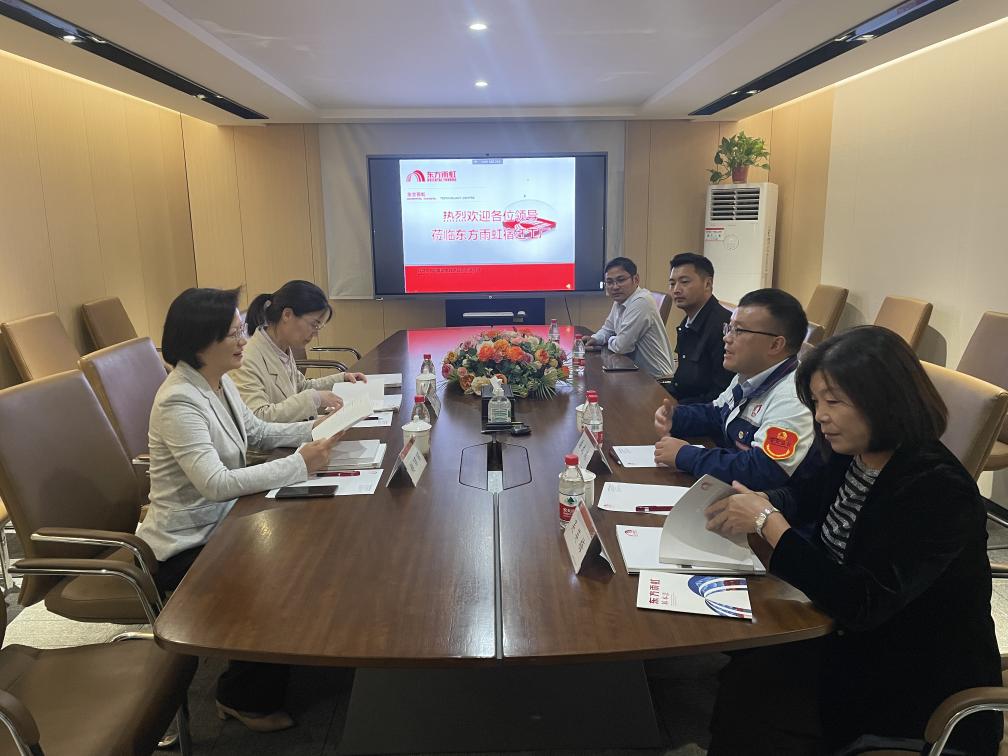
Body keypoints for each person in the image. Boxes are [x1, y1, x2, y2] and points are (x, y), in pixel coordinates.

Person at [703, 326, 1002, 755]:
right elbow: (805, 498)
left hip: (909, 678)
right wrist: (765, 501)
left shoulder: (937, 488)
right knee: (743, 674)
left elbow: (863, 603)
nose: (820, 416)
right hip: (841, 635)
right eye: (816, 402)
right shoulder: (856, 454)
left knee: (751, 699)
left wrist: (767, 521)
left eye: (834, 402)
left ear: (886, 401)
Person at [136, 287, 341, 733]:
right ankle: (242, 697)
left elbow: (259, 433)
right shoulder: (178, 400)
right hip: (186, 544)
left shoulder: (217, 381)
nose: (243, 340)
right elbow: (214, 484)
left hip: (226, 520)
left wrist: (315, 429)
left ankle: (286, 652)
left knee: (309, 546)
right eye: (232, 333)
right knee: (276, 574)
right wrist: (299, 464)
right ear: (199, 340)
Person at [653, 288, 817, 490]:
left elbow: (763, 469)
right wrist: (676, 417)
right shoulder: (749, 373)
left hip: (760, 503)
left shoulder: (793, 398)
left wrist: (688, 456)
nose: (727, 338)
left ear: (775, 345)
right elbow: (717, 413)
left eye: (739, 331)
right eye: (728, 328)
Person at [231, 280, 366, 422]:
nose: (315, 334)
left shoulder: (280, 347)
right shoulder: (246, 359)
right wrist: (314, 399)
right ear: (287, 315)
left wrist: (341, 379)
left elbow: (301, 386)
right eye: (314, 325)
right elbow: (259, 417)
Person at [586, 257, 675, 378]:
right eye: (610, 282)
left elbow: (622, 347)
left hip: (657, 379)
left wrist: (609, 339)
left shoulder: (641, 301)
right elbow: (608, 329)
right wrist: (595, 339)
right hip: (633, 371)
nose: (615, 287)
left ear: (636, 279)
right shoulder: (620, 300)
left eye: (621, 280)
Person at [665, 252, 733, 404]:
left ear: (707, 284)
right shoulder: (689, 320)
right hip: (682, 402)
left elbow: (721, 394)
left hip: (701, 412)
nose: (676, 290)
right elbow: (682, 380)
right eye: (672, 283)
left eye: (684, 282)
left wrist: (679, 411)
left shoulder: (722, 327)